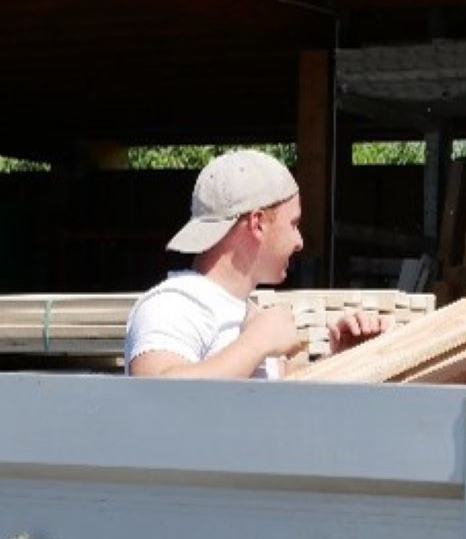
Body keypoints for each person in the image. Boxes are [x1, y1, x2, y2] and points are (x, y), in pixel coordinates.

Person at [125, 149, 383, 379]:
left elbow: (282, 398)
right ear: (257, 223)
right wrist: (257, 342)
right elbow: (155, 395)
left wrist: (344, 359)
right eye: (293, 224)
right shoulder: (174, 304)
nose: (299, 241)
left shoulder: (246, 314)